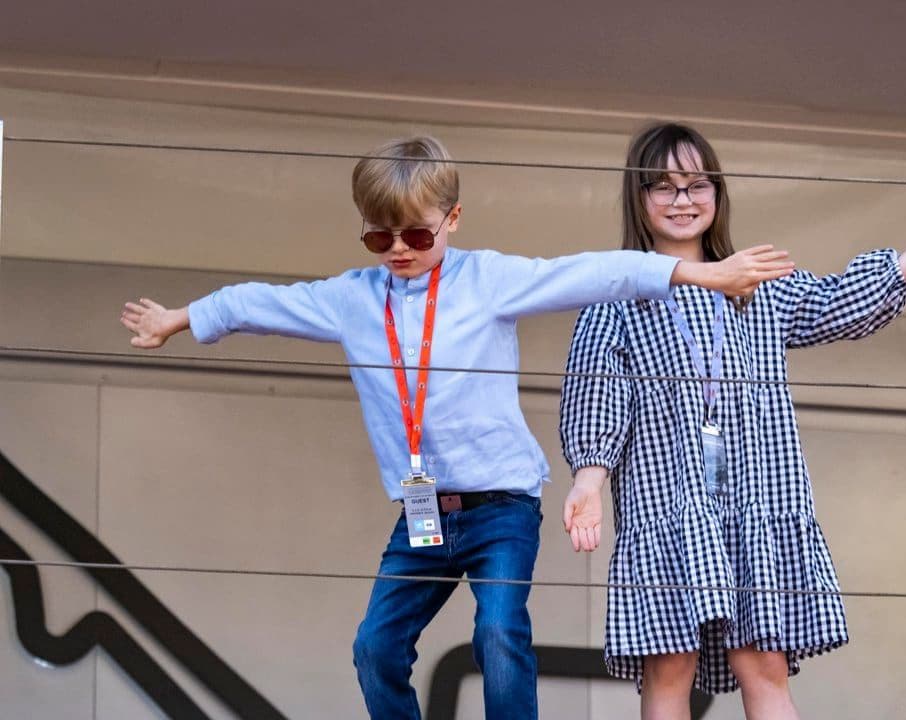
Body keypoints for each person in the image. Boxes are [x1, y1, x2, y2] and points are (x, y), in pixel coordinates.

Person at [119, 135, 795, 720]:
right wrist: (179, 319)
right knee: (374, 648)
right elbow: (258, 303)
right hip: (422, 514)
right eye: (378, 237)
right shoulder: (352, 298)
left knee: (498, 633)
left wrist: (700, 273)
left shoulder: (488, 280)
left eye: (416, 234)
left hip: (502, 504)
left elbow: (592, 272)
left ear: (453, 220)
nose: (399, 251)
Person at [559, 122, 906, 720]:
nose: (682, 201)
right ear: (638, 199)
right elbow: (598, 396)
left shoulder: (756, 285)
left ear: (718, 193)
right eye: (663, 187)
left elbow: (839, 304)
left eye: (696, 185)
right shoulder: (617, 297)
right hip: (668, 502)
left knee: (762, 662)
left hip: (759, 498)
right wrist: (588, 480)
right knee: (669, 666)